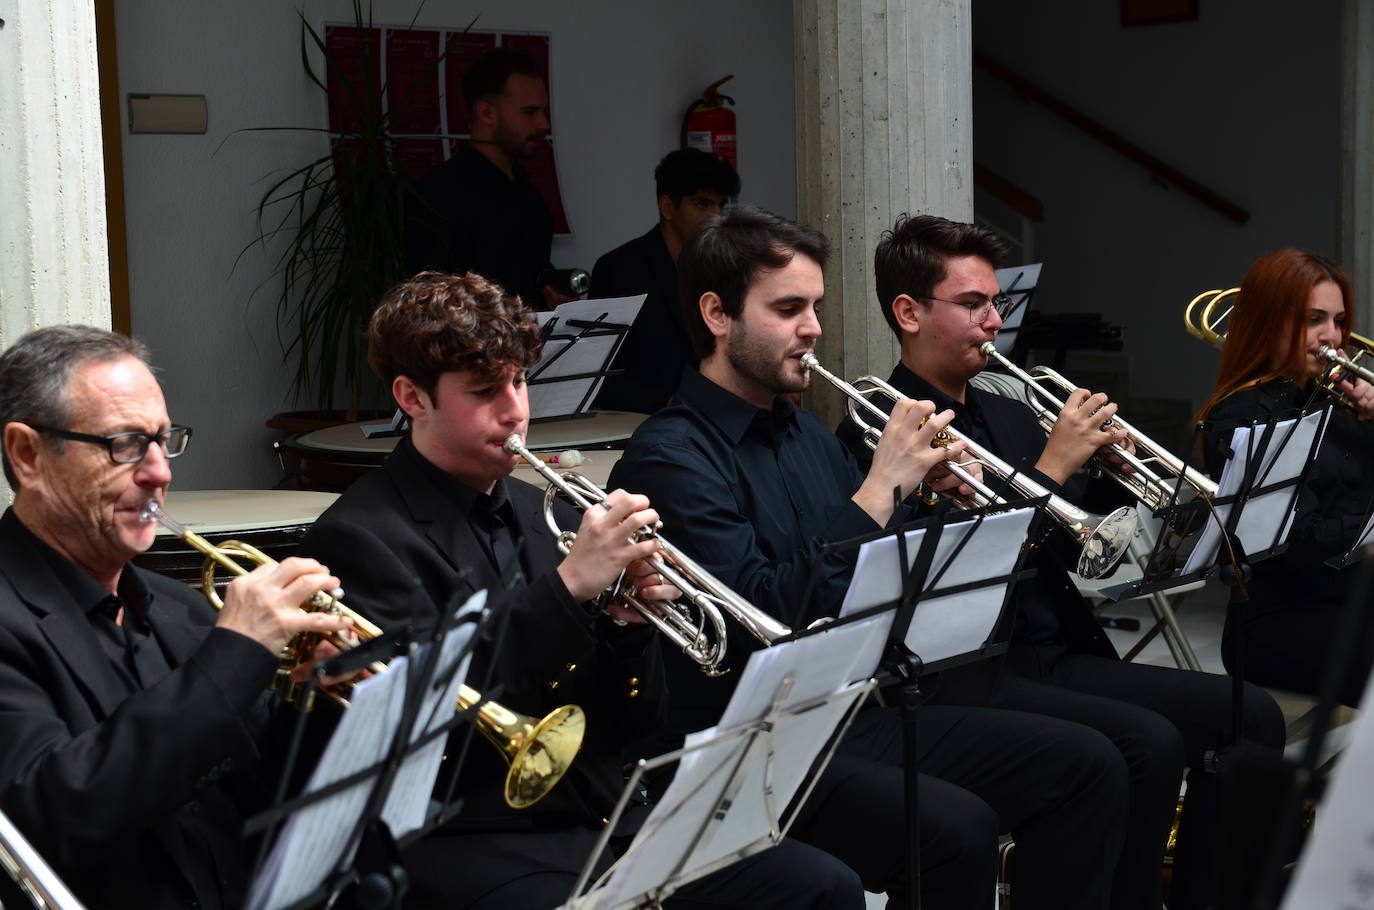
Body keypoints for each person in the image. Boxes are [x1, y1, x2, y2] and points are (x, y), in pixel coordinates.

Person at [608, 207, 1130, 910]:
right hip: (747, 742)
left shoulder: (806, 436)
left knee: (1089, 765)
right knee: (961, 829)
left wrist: (934, 506)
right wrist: (881, 488)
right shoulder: (670, 455)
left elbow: (878, 576)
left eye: (816, 307)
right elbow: (765, 618)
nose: (814, 328)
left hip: (850, 710)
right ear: (717, 314)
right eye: (789, 308)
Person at [296, 271, 866, 910]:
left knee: (823, 887)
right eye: (485, 391)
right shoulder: (359, 540)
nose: (515, 410)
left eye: (519, 382)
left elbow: (636, 724)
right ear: (413, 397)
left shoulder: (549, 512)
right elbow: (431, 726)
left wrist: (628, 629)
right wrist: (569, 591)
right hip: (475, 835)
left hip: (605, 816)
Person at [842, 213, 1287, 910]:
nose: (994, 322)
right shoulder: (881, 429)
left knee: (1249, 715)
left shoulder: (1011, 411)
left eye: (998, 303)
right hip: (974, 668)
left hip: (1056, 645)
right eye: (972, 305)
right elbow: (940, 572)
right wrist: (1054, 468)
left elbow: (1084, 543)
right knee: (1147, 743)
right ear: (908, 312)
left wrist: (1115, 471)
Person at [0, 325, 353, 909]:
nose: (160, 472)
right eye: (125, 445)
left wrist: (313, 696)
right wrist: (234, 655)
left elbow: (269, 797)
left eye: (165, 441)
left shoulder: (177, 606)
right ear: (27, 454)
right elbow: (55, 815)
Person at [1197, 247, 1374, 707]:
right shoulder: (1241, 415)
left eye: (1338, 321)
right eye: (1314, 319)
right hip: (1282, 621)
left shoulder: (1334, 399)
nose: (1332, 337)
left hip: (1350, 599)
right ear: (1269, 321)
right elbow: (1297, 546)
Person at [404, 47, 574, 310]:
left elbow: (531, 270)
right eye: (530, 112)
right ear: (487, 113)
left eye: (543, 111)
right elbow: (434, 306)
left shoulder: (527, 193)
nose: (543, 124)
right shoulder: (437, 195)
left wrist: (552, 292)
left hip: (531, 346)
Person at [591, 148, 740, 413]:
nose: (717, 216)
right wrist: (666, 401)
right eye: (702, 204)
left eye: (721, 205)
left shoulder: (726, 268)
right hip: (642, 421)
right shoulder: (620, 268)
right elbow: (599, 374)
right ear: (668, 207)